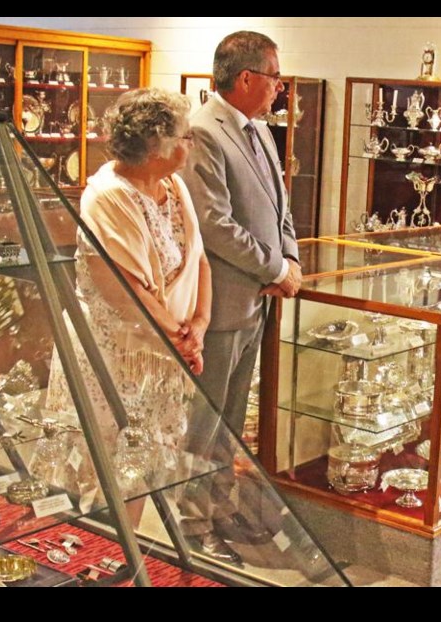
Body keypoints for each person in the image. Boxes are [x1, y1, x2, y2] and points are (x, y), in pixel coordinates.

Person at [46, 87, 211, 508]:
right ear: (156, 145)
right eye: (185, 136)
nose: (190, 143)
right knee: (102, 468)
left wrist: (200, 327)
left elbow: (200, 261)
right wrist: (180, 339)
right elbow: (126, 291)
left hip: (162, 354)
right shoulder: (108, 195)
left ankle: (128, 560)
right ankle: (92, 558)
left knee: (143, 466)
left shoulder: (174, 186)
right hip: (113, 357)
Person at [178, 30, 301, 563]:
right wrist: (274, 266)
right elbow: (215, 225)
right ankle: (189, 524)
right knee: (204, 423)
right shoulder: (203, 132)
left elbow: (280, 208)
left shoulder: (261, 131)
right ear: (247, 77)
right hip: (223, 305)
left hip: (257, 300)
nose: (280, 87)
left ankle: (221, 510)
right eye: (275, 77)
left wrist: (290, 259)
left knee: (232, 419)